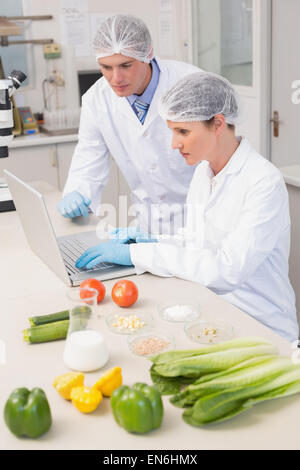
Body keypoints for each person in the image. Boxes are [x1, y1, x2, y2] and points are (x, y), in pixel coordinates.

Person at [75, 71, 299, 343]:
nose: (174, 143)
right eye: (172, 131)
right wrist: (153, 240)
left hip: (261, 325)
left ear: (217, 123)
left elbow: (226, 270)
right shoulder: (204, 172)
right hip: (214, 312)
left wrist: (139, 254)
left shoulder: (263, 181)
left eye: (182, 131)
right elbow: (196, 242)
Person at [58, 14, 200, 234]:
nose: (116, 78)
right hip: (148, 224)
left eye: (126, 65)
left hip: (201, 220)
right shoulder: (96, 100)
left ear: (148, 54)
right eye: (106, 67)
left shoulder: (192, 84)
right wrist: (77, 191)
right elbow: (88, 157)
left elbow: (220, 158)